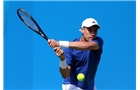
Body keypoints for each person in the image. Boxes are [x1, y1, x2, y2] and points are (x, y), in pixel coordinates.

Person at [48, 18, 104, 90]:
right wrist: (62, 59)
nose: (93, 33)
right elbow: (65, 75)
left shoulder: (98, 41)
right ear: (82, 30)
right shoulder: (69, 49)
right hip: (72, 85)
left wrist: (59, 43)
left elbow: (86, 46)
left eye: (95, 30)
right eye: (90, 30)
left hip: (90, 86)